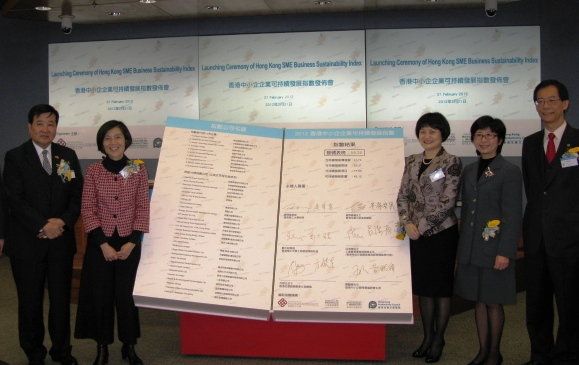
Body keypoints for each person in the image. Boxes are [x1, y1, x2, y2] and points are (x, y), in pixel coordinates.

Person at [3, 104, 83, 365]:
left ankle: (62, 351)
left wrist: (62, 222)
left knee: (60, 302)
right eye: (40, 123)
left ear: (56, 128)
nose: (46, 129)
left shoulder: (67, 156)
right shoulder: (15, 157)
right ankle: (34, 353)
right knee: (30, 302)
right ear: (30, 127)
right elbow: (14, 199)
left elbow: (76, 196)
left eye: (51, 124)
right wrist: (43, 224)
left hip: (60, 241)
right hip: (27, 244)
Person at [75, 120, 150, 365]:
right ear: (101, 143)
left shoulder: (137, 168)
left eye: (117, 137)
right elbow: (88, 208)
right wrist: (103, 244)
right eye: (107, 138)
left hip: (129, 243)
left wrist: (132, 242)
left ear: (126, 140)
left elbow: (142, 207)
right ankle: (102, 347)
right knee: (101, 297)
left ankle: (129, 346)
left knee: (127, 298)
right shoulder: (94, 171)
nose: (113, 142)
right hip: (101, 244)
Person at [454, 116, 522, 365]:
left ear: (500, 140)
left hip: (495, 249)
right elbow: (468, 211)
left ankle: (494, 354)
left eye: (490, 135)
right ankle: (483, 350)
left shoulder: (510, 171)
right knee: (478, 301)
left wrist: (505, 252)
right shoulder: (470, 170)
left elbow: (512, 215)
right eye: (479, 135)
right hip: (472, 248)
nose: (484, 140)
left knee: (493, 301)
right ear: (473, 139)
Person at [397, 112, 462, 363]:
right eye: (423, 131)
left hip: (442, 234)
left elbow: (448, 201)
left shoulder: (451, 161)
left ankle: (439, 339)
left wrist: (421, 226)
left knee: (441, 289)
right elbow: (402, 195)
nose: (427, 136)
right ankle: (427, 336)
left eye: (432, 131)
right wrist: (407, 222)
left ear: (442, 134)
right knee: (424, 288)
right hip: (416, 234)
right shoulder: (411, 160)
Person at [522, 80, 579, 365]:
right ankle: (540, 355)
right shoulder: (530, 143)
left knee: (569, 305)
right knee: (537, 304)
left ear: (565, 104)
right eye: (540, 102)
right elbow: (533, 190)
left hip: (569, 239)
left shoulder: (578, 141)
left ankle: (567, 356)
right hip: (536, 239)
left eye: (551, 100)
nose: (545, 107)